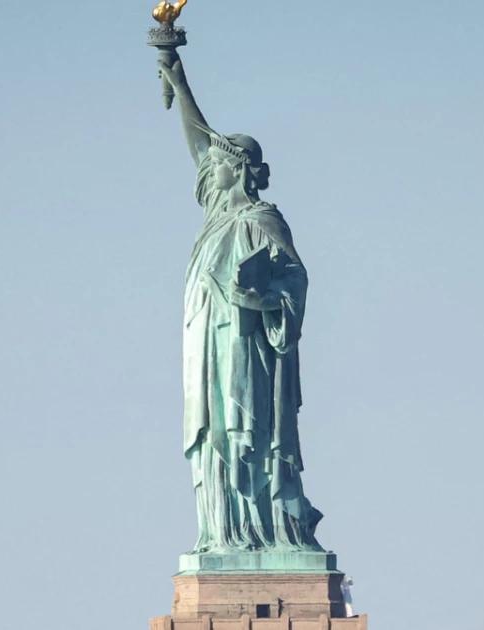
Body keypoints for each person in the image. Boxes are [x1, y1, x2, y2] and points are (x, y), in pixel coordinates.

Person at [158, 51, 324, 553]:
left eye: (218, 162)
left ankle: (261, 531)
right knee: (214, 439)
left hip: (246, 346)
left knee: (243, 433)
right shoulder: (216, 214)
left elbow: (296, 280)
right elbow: (198, 140)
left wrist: (258, 297)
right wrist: (176, 72)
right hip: (207, 345)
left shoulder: (262, 219)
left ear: (237, 168)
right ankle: (221, 534)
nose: (208, 166)